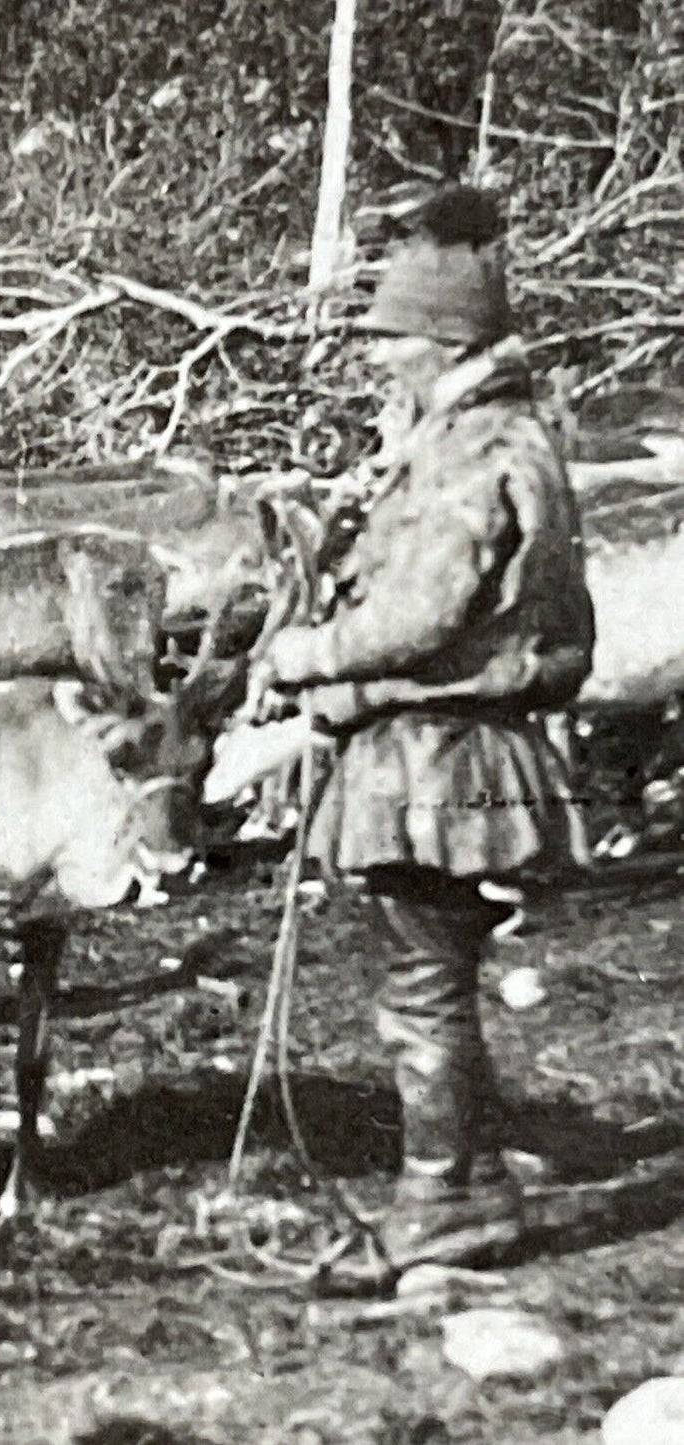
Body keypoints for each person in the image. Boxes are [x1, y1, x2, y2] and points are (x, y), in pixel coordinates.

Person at [253, 185, 595, 1271]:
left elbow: (419, 610)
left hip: (440, 760)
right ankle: (473, 1176)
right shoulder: (484, 436)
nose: (374, 356)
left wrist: (305, 659)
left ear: (442, 341)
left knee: (420, 986)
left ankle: (440, 1197)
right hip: (452, 751)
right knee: (431, 971)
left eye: (388, 336)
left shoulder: (469, 451)